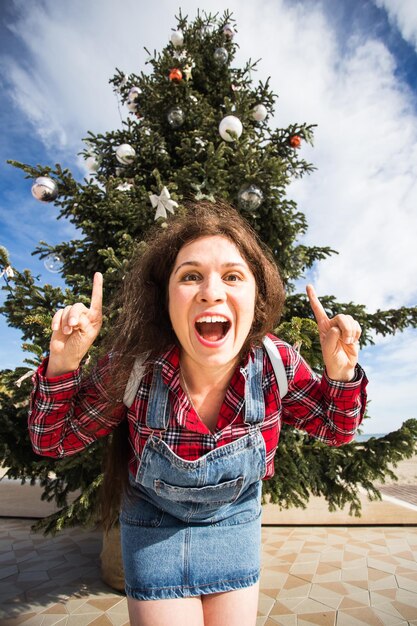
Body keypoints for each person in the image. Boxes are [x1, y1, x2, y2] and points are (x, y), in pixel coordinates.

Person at [28, 201, 367, 626]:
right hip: (153, 526)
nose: (211, 291)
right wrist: (63, 364)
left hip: (234, 521)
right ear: (165, 299)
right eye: (190, 276)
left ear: (256, 297)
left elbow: (337, 429)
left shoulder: (275, 363)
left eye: (232, 276)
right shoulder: (134, 367)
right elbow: (52, 438)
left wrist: (341, 372)